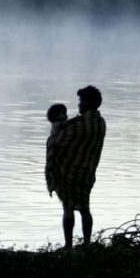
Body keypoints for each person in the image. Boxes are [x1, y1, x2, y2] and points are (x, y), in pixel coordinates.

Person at [49, 85, 106, 249]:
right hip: (88, 173)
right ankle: (87, 245)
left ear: (87, 102)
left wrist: (55, 132)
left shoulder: (77, 125)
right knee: (85, 209)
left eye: (81, 101)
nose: (79, 105)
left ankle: (68, 246)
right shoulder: (100, 123)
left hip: (70, 173)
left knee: (68, 208)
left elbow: (58, 143)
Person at [45, 103, 68, 197]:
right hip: (61, 175)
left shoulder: (55, 129)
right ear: (56, 116)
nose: (66, 116)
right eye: (63, 113)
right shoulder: (60, 126)